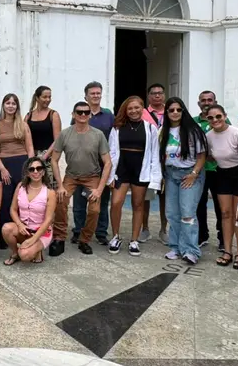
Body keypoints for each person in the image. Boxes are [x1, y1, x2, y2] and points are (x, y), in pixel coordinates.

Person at [50, 101, 112, 256]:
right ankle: (59, 238)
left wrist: (99, 189)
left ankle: (84, 240)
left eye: (86, 112)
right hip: (71, 176)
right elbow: (54, 160)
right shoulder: (65, 134)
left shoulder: (98, 135)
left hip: (92, 177)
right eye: (79, 112)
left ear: (90, 115)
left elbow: (108, 163)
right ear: (73, 114)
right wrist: (60, 185)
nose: (83, 115)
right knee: (60, 201)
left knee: (94, 210)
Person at [107, 96, 161, 257]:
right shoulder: (117, 128)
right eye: (130, 108)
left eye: (137, 108)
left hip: (141, 170)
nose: (134, 111)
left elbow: (154, 155)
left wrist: (154, 177)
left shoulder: (150, 128)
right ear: (125, 110)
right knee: (116, 203)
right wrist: (110, 176)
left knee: (138, 205)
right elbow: (112, 152)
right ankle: (115, 236)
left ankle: (134, 240)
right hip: (121, 170)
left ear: (142, 108)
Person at [160, 97, 207, 265]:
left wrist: (194, 173)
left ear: (183, 111)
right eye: (171, 110)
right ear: (166, 112)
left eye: (178, 110)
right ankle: (176, 247)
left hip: (189, 174)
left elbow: (202, 155)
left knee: (187, 213)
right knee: (172, 213)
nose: (175, 113)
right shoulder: (163, 131)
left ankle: (191, 250)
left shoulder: (193, 130)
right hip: (171, 175)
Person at [205, 104, 238, 270]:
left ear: (224, 116)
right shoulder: (208, 136)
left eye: (218, 116)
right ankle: (228, 251)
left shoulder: (237, 133)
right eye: (210, 117)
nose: (215, 120)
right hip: (222, 175)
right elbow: (208, 156)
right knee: (225, 213)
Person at [71, 81, 114, 246]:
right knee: (80, 202)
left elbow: (114, 140)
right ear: (86, 96)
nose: (96, 96)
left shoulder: (108, 115)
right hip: (82, 166)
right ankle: (78, 231)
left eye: (98, 93)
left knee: (101, 201)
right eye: (92, 93)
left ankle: (101, 232)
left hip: (102, 166)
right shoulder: (79, 113)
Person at [0, 93, 34, 240]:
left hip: (22, 164)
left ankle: (24, 232)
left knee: (23, 199)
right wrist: (2, 168)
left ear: (17, 107)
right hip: (5, 165)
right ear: (3, 105)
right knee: (5, 199)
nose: (10, 106)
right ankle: (3, 235)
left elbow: (30, 148)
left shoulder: (23, 124)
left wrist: (31, 167)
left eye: (13, 103)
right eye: (8, 103)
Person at [2, 157, 56, 265]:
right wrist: (19, 225)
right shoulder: (20, 187)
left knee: (25, 255)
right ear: (27, 173)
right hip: (24, 229)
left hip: (41, 232)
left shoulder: (50, 192)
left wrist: (33, 239)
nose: (36, 171)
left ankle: (36, 249)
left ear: (44, 171)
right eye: (32, 169)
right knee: (6, 228)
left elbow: (48, 220)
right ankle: (15, 253)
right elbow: (13, 209)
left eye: (39, 168)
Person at [194, 91, 225, 250]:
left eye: (209, 100)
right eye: (203, 100)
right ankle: (202, 235)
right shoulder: (193, 122)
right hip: (199, 170)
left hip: (219, 170)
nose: (206, 102)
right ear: (199, 103)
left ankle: (223, 237)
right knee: (199, 204)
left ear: (215, 101)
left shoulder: (223, 121)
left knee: (221, 206)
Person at [142, 83, 168, 244]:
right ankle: (144, 228)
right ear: (149, 96)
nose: (157, 96)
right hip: (148, 160)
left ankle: (164, 229)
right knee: (145, 196)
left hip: (167, 160)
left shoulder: (172, 112)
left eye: (160, 93)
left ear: (164, 95)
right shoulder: (143, 113)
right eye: (153, 93)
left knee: (165, 196)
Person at [25, 85, 62, 186]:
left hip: (48, 158)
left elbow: (58, 139)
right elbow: (24, 137)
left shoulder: (53, 115)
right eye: (45, 97)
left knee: (49, 187)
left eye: (49, 97)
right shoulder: (28, 116)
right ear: (37, 98)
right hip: (31, 157)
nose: (48, 99)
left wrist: (44, 156)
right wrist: (31, 157)